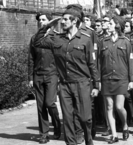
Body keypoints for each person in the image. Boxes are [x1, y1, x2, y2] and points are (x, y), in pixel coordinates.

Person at [33, 6, 100, 145]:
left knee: (85, 118)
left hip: (82, 83)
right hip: (64, 85)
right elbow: (37, 42)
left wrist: (96, 84)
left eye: (65, 20)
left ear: (74, 21)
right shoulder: (57, 39)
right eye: (62, 20)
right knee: (68, 118)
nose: (62, 22)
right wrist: (47, 27)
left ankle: (89, 140)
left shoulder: (85, 39)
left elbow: (92, 63)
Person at [98, 15, 133, 143]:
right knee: (109, 106)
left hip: (121, 79)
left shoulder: (125, 41)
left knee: (119, 107)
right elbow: (99, 62)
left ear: (118, 25)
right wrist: (98, 80)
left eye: (111, 23)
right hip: (106, 78)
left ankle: (125, 125)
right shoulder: (103, 41)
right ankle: (114, 135)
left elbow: (130, 62)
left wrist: (131, 80)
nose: (108, 25)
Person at [28, 12, 61, 144]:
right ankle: (44, 134)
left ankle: (57, 125)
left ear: (49, 22)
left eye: (44, 19)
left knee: (49, 103)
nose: (41, 22)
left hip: (52, 74)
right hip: (38, 75)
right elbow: (31, 58)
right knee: (40, 106)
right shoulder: (34, 38)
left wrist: (60, 76)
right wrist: (30, 77)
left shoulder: (55, 37)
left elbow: (60, 58)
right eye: (39, 20)